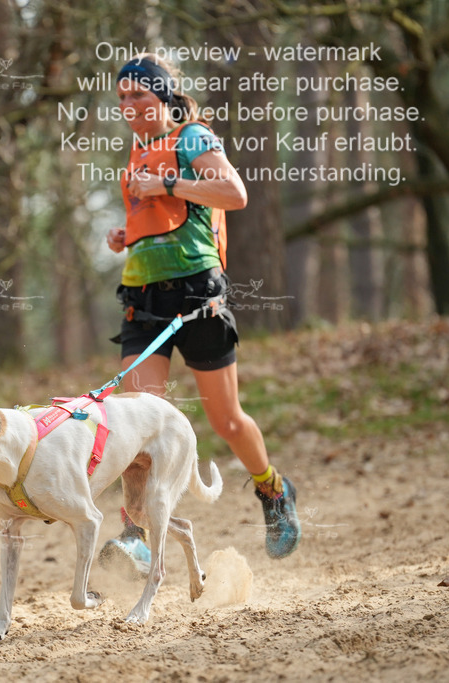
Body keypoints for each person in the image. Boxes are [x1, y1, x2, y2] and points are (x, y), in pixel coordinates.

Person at [97, 54, 300, 574]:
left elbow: (234, 193)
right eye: (121, 97)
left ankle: (273, 490)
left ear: (163, 96)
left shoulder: (192, 138)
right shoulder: (137, 151)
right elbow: (163, 219)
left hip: (196, 293)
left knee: (226, 419)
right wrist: (127, 237)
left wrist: (165, 186)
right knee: (137, 421)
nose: (128, 105)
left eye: (139, 95)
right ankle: (135, 532)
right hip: (141, 296)